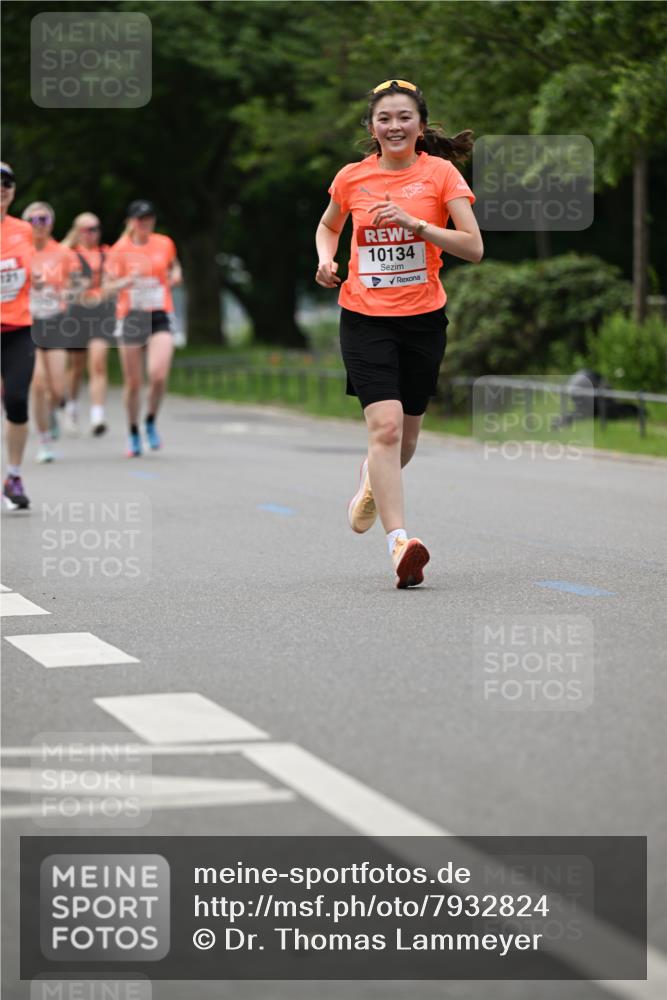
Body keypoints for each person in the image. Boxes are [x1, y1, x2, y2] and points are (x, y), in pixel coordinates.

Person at [315, 80, 483, 588]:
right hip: (365, 318)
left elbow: (473, 247)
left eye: (404, 117)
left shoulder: (440, 173)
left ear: (421, 126)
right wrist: (325, 259)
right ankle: (400, 544)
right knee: (384, 429)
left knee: (405, 438)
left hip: (423, 318)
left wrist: (418, 226)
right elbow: (329, 226)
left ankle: (371, 481)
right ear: (372, 127)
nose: (394, 125)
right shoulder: (351, 178)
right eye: (384, 118)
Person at [105, 200, 182, 457]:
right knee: (134, 382)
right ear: (131, 222)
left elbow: (174, 266)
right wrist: (127, 281)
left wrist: (176, 275)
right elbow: (107, 286)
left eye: (149, 218)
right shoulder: (120, 249)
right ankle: (133, 430)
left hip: (159, 313)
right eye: (140, 219)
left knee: (158, 375)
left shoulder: (164, 243)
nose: (145, 223)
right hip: (131, 317)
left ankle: (150, 419)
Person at [23, 201, 78, 463]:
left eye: (43, 219)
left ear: (51, 224)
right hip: (27, 322)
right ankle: (44, 440)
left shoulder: (63, 253)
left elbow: (78, 281)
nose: (39, 225)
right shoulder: (19, 250)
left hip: (54, 321)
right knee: (38, 383)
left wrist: (69, 291)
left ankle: (53, 411)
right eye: (34, 220)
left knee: (56, 389)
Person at [62, 212, 116, 436]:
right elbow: (64, 287)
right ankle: (71, 408)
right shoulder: (69, 255)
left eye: (96, 228)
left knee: (99, 363)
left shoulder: (107, 253)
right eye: (87, 229)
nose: (92, 233)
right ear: (78, 231)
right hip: (76, 315)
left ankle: (97, 416)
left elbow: (112, 284)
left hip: (101, 314)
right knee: (76, 367)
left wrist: (102, 293)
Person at [1, 162, 35, 509]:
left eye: (7, 182)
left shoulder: (24, 231)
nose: (1, 187)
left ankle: (12, 476)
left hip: (18, 330)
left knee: (16, 402)